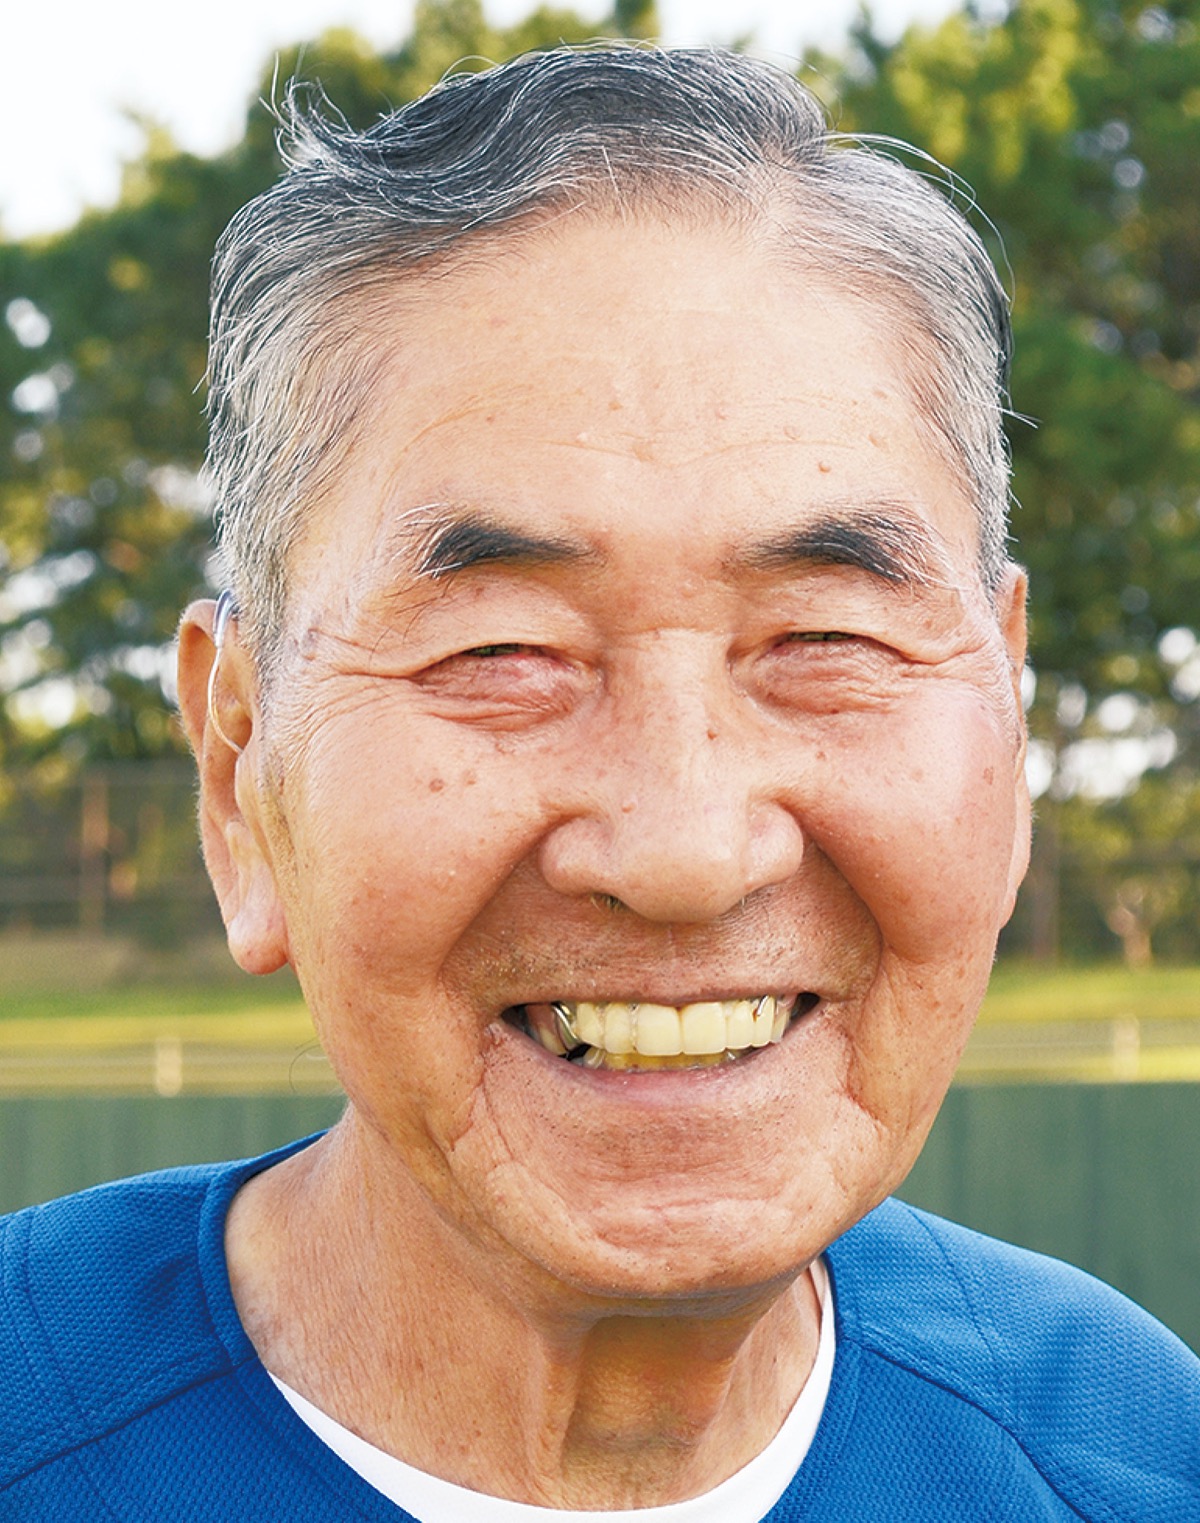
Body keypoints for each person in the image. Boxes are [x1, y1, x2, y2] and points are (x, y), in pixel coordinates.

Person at [1, 44, 1196, 1523]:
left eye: (824, 639)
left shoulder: (1136, 1456)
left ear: (1004, 726)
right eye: (506, 650)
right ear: (244, 767)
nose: (686, 848)